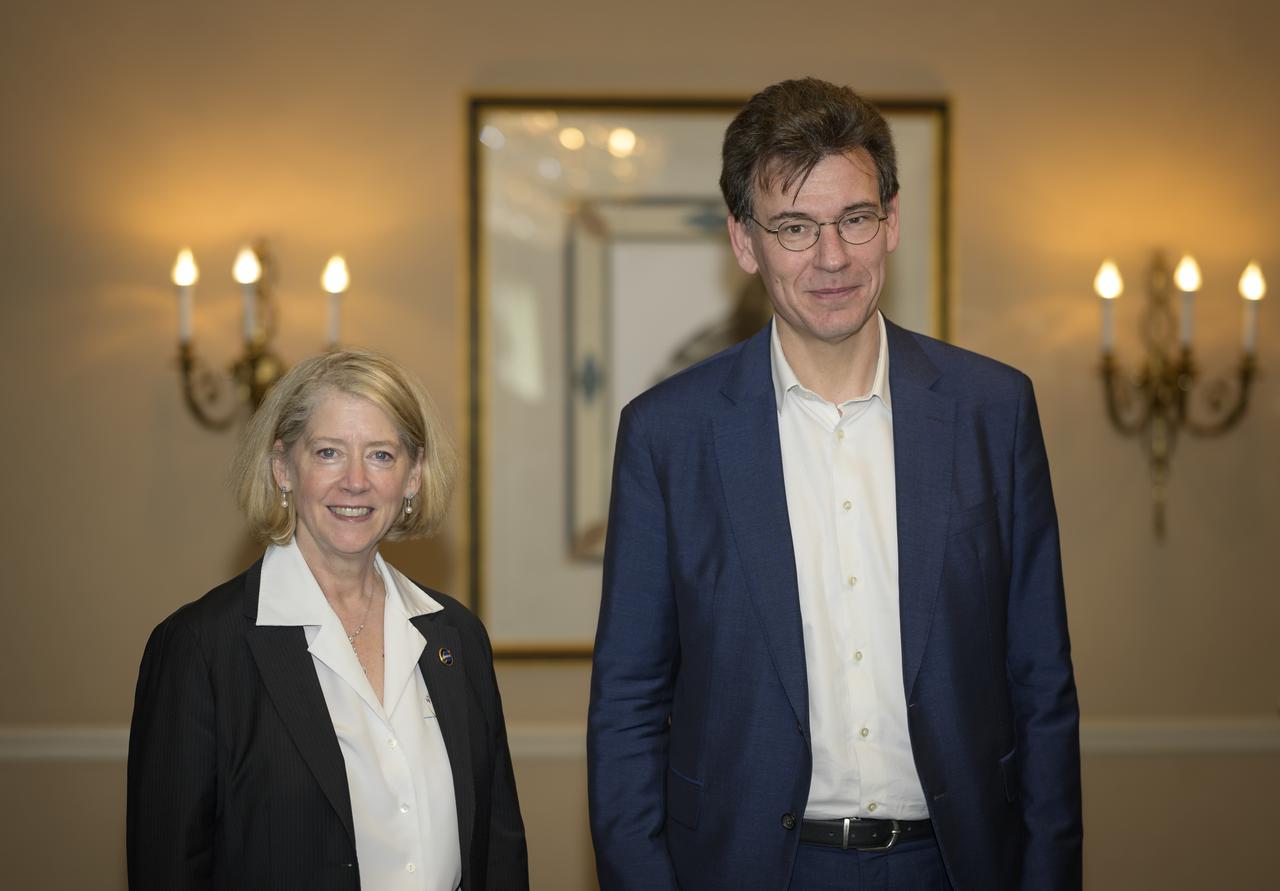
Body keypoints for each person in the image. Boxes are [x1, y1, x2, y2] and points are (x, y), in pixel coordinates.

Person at [587, 78, 1081, 890]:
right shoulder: (666, 435)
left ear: (892, 221)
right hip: (749, 868)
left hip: (956, 863)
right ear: (745, 243)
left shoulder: (994, 410)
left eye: (854, 218)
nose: (831, 257)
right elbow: (628, 707)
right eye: (794, 227)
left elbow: (1042, 683)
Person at [128, 348, 528, 890]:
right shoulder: (200, 649)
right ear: (282, 468)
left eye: (382, 456)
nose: (356, 481)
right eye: (329, 453)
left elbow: (498, 852)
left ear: (412, 476)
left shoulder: (456, 637)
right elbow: (169, 871)